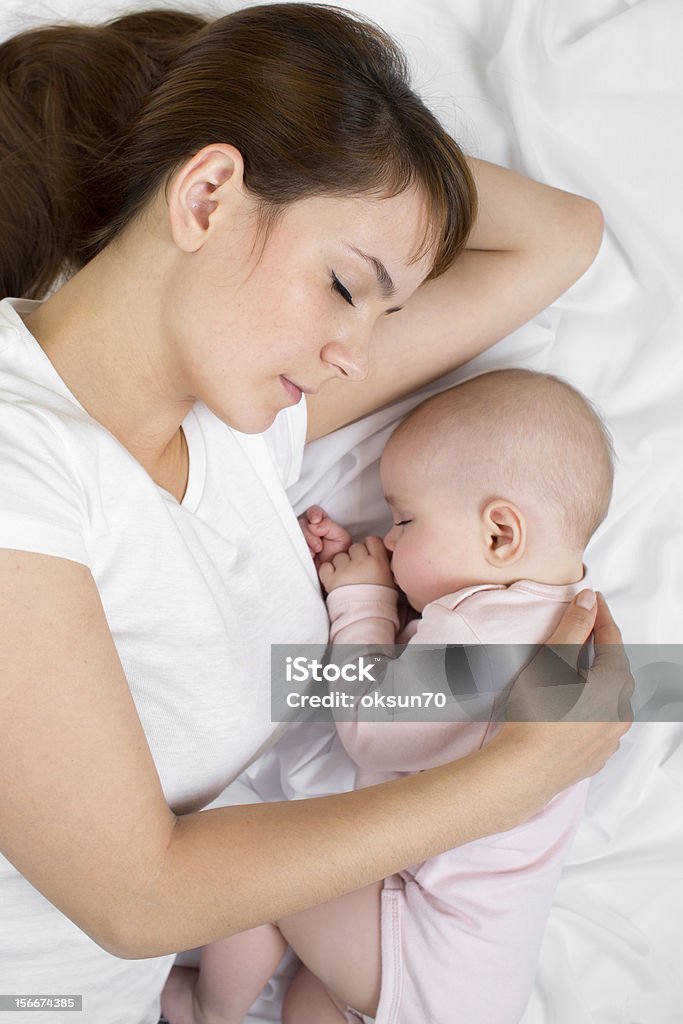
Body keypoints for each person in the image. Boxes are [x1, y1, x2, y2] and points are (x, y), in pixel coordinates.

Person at [0, 5, 631, 1024]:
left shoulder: (238, 430)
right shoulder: (21, 462)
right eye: (344, 284)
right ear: (205, 196)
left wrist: (211, 82)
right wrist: (516, 776)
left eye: (382, 313)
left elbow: (559, 238)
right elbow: (134, 895)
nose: (356, 352)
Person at [159, 368, 617, 1023]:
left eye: (404, 518)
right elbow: (431, 699)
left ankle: (208, 1009)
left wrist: (360, 599)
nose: (391, 537)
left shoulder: (476, 638)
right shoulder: (556, 629)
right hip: (461, 976)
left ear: (498, 535)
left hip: (417, 941)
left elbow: (371, 724)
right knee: (309, 1001)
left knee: (252, 870)